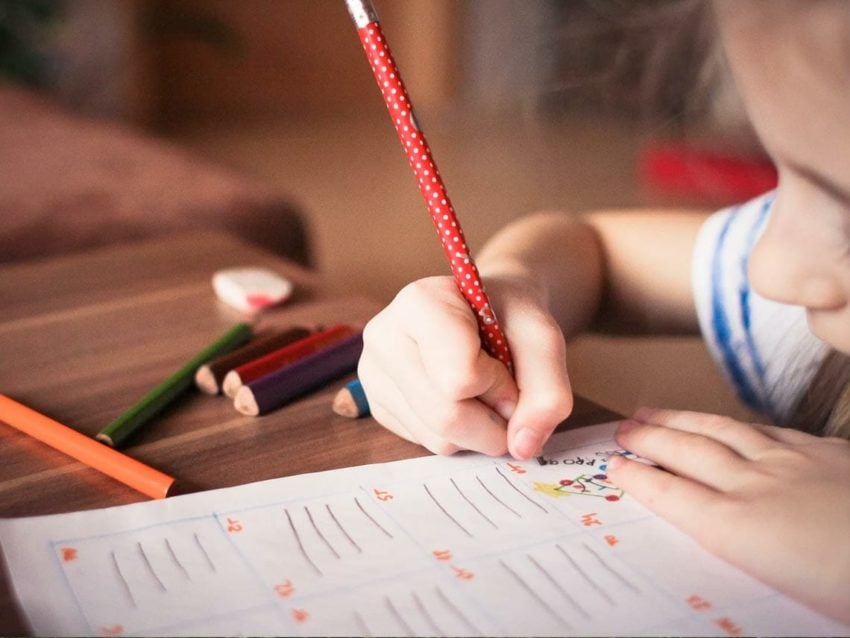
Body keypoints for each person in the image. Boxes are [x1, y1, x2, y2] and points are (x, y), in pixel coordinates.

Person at [355, 0, 850, 625]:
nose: (766, 267)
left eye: (846, 213)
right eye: (781, 180)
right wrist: (515, 288)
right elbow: (595, 251)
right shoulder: (806, 289)